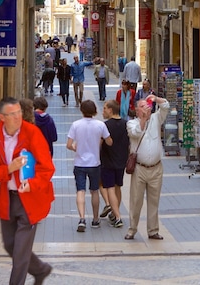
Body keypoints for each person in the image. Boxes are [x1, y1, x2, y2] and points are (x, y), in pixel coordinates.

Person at [0, 98, 55, 285]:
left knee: (21, 252)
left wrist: (32, 184)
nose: (17, 117)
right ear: (1, 117)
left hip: (30, 199)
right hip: (8, 199)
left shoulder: (32, 133)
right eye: (12, 114)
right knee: (9, 245)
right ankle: (40, 270)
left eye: (19, 113)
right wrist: (8, 169)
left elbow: (47, 168)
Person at [124, 94, 169, 241]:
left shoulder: (156, 119)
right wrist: (143, 119)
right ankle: (132, 229)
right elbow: (136, 133)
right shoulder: (132, 123)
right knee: (136, 201)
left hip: (156, 168)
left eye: (148, 106)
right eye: (143, 106)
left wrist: (156, 99)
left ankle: (153, 230)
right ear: (137, 110)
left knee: (154, 201)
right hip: (139, 168)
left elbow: (166, 106)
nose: (147, 108)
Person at [66, 100, 112, 231]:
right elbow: (109, 141)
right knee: (94, 191)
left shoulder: (76, 125)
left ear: (82, 110)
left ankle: (81, 219)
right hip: (95, 163)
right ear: (94, 111)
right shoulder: (100, 125)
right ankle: (96, 219)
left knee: (80, 190)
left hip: (79, 163)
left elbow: (69, 145)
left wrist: (76, 148)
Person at [98, 99, 129, 228]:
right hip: (121, 160)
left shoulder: (105, 126)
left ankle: (117, 216)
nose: (103, 111)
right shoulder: (126, 124)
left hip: (108, 160)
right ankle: (116, 212)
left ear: (111, 110)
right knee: (118, 187)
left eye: (105, 108)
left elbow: (100, 143)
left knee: (109, 187)